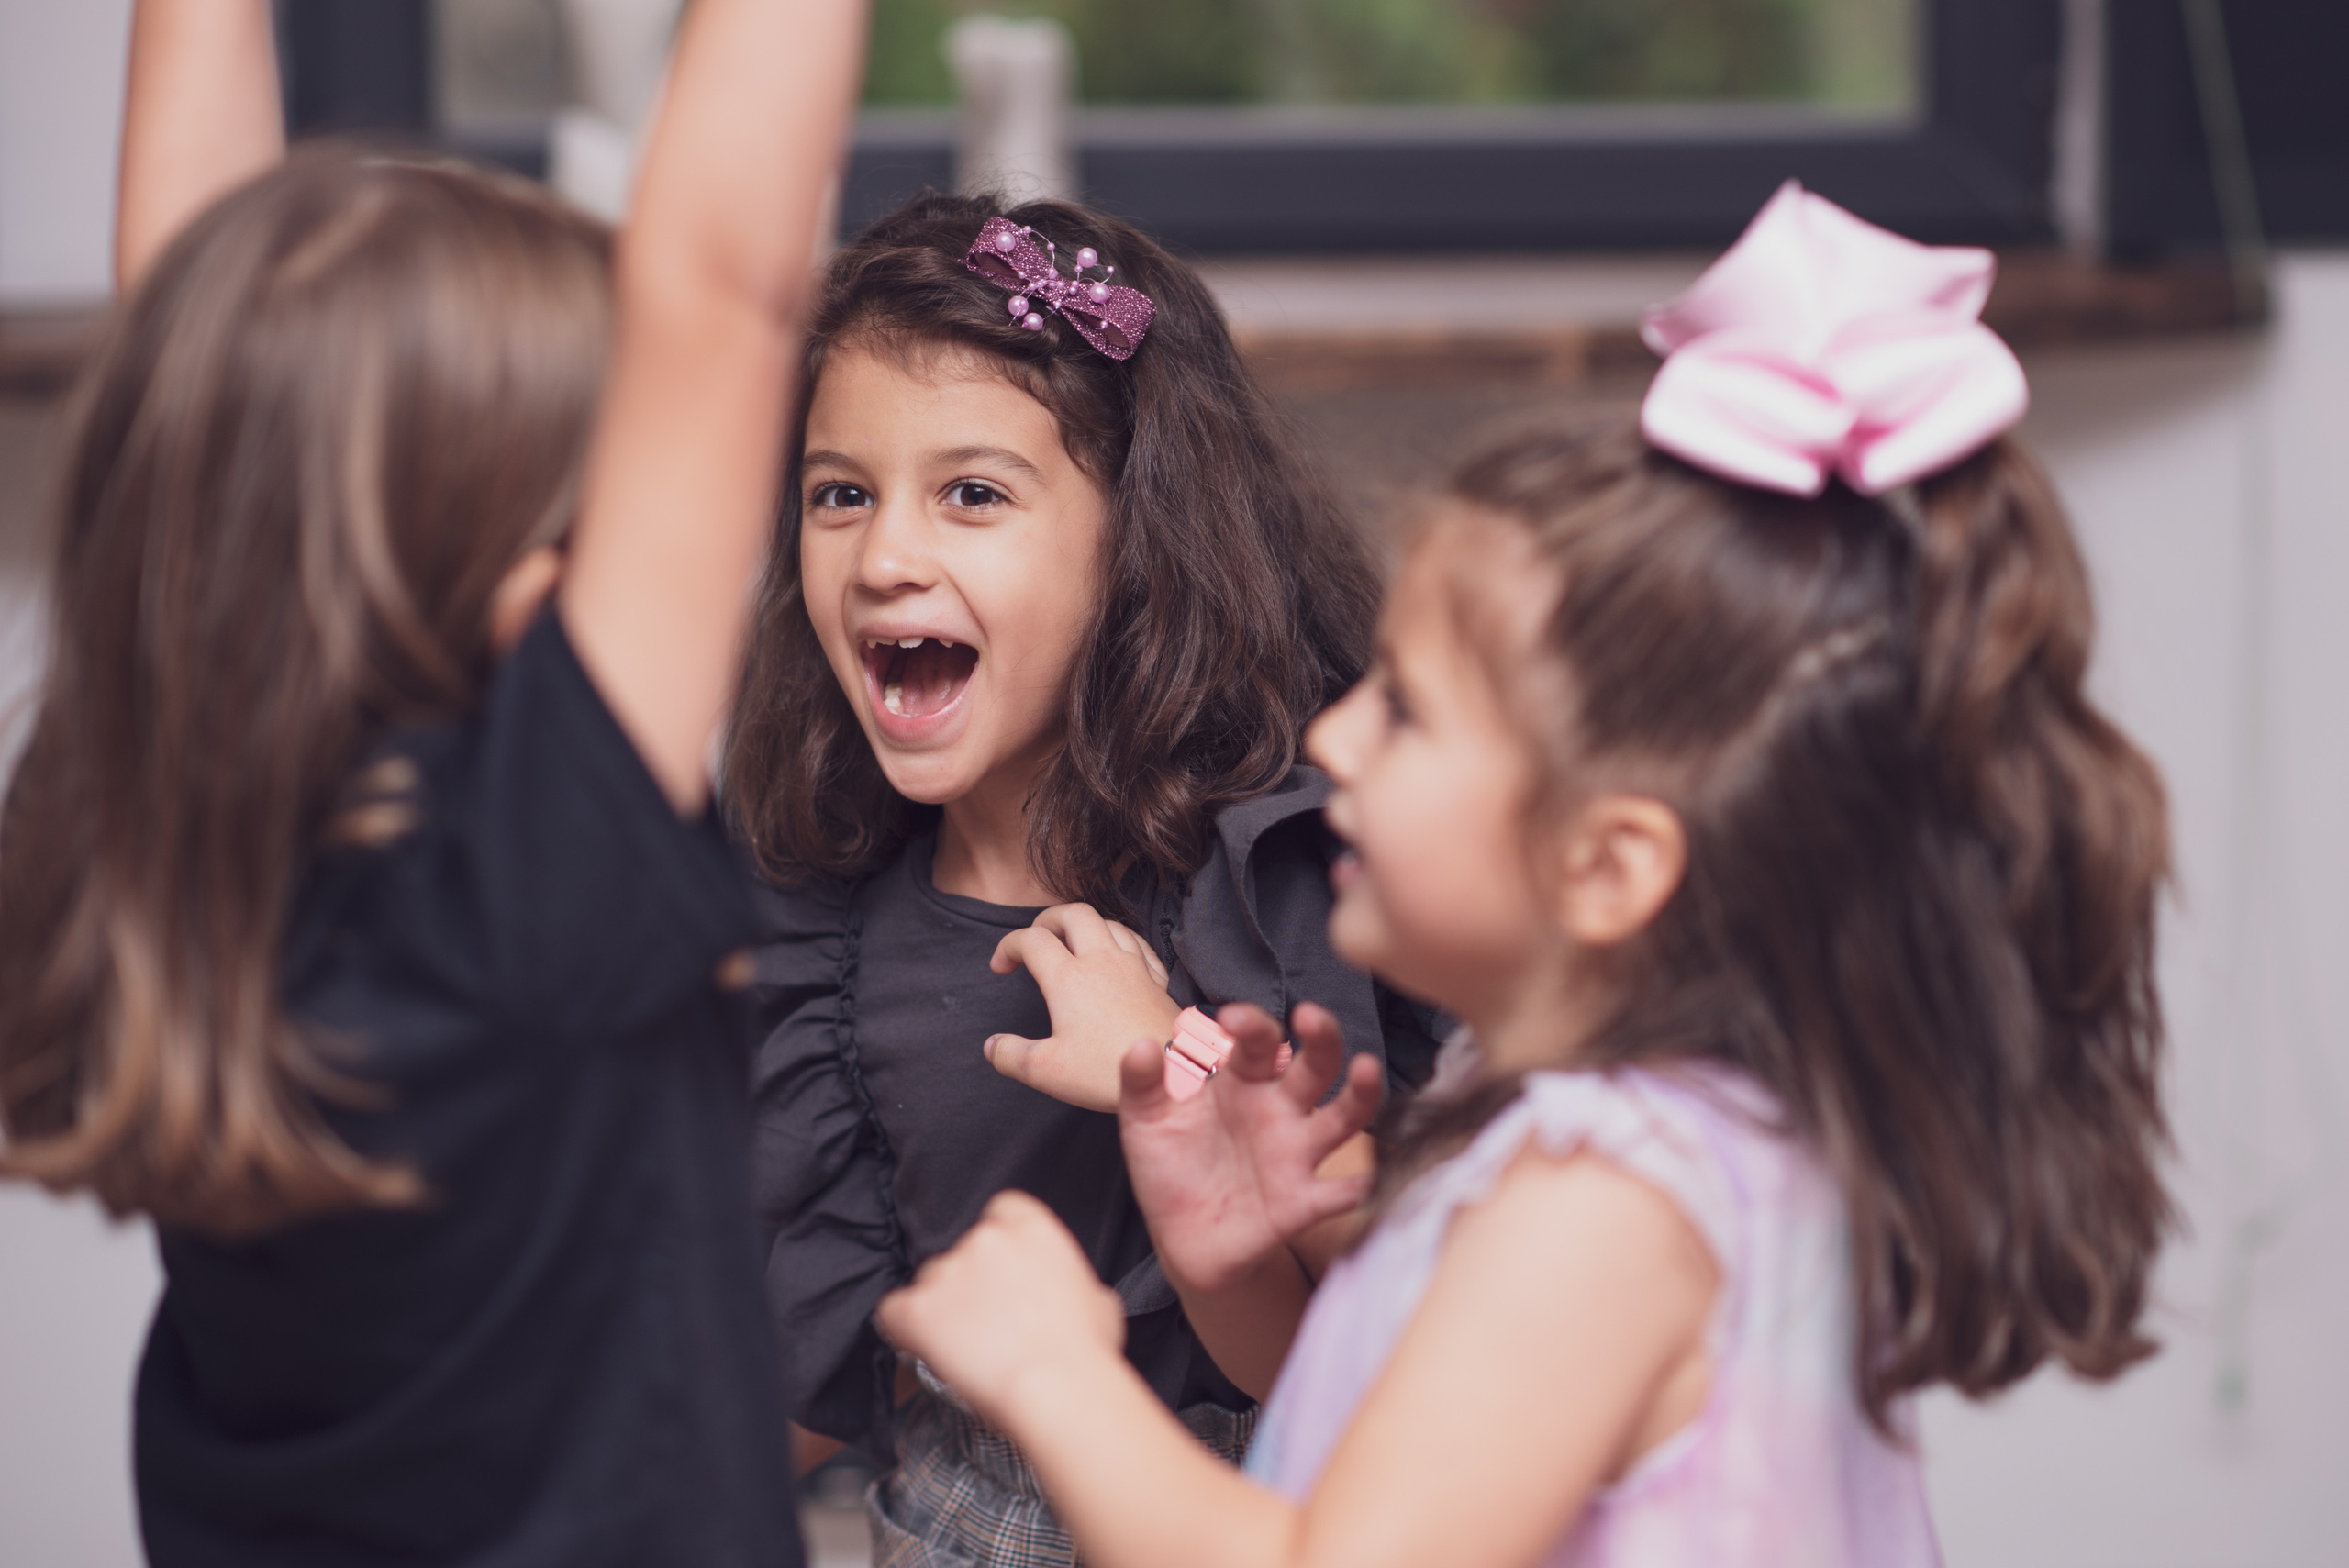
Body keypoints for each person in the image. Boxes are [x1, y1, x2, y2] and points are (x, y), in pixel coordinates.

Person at [873, 183, 2176, 1568]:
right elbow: (1429, 1472)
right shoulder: (1652, 1129)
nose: (1335, 733)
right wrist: (1233, 1258)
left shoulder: (1601, 1204)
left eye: (1412, 711)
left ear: (1609, 864)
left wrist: (1056, 1380)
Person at [0, 1, 864, 1563]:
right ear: (512, 578)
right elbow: (725, 285)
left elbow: (198, 374)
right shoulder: (520, 885)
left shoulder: (163, 831)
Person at [727, 194, 1445, 1559]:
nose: (884, 557)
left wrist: (1165, 1090)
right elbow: (831, 1359)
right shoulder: (827, 937)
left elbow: (1325, 1370)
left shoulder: (1267, 886)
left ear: (1138, 540)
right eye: (840, 494)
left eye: (974, 494)